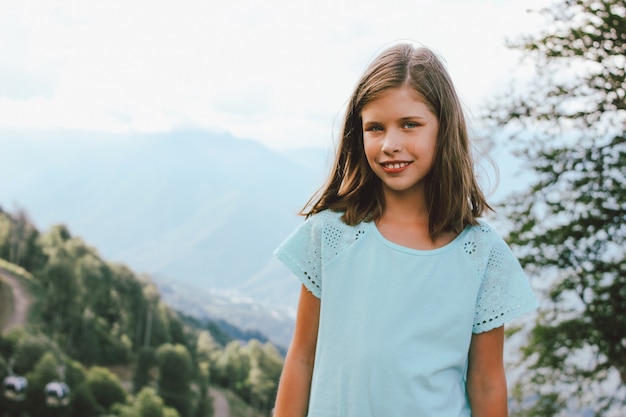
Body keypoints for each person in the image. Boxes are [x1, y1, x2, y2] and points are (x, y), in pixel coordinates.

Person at [272, 42, 539, 417]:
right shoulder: (329, 235)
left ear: (443, 128)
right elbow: (302, 357)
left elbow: (487, 382)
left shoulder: (481, 253)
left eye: (410, 125)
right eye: (375, 128)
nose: (390, 145)